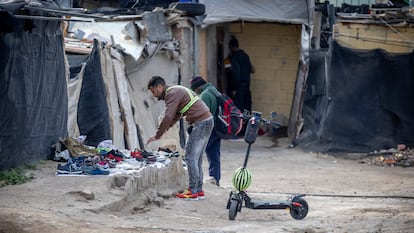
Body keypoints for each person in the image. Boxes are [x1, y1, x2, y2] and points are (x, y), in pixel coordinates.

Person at [146, 76, 214, 201]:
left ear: (160, 87)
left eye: (153, 91)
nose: (154, 96)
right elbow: (177, 115)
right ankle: (198, 190)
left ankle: (193, 190)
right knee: (196, 157)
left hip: (201, 123)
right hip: (206, 121)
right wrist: (166, 128)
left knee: (189, 156)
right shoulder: (176, 91)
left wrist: (158, 135)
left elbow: (168, 116)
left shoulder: (171, 94)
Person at [190, 76, 221, 186]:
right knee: (214, 154)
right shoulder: (214, 90)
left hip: (209, 128)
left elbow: (202, 115)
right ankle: (215, 178)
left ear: (198, 87)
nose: (195, 92)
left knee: (195, 154)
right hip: (218, 128)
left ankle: (196, 180)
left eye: (194, 89)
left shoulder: (205, 95)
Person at [227, 35, 255, 113]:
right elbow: (252, 70)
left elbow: (236, 74)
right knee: (247, 109)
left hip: (239, 89)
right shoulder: (246, 56)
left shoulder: (235, 58)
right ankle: (247, 125)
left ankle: (240, 125)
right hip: (246, 87)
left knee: (239, 110)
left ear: (231, 47)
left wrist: (234, 89)